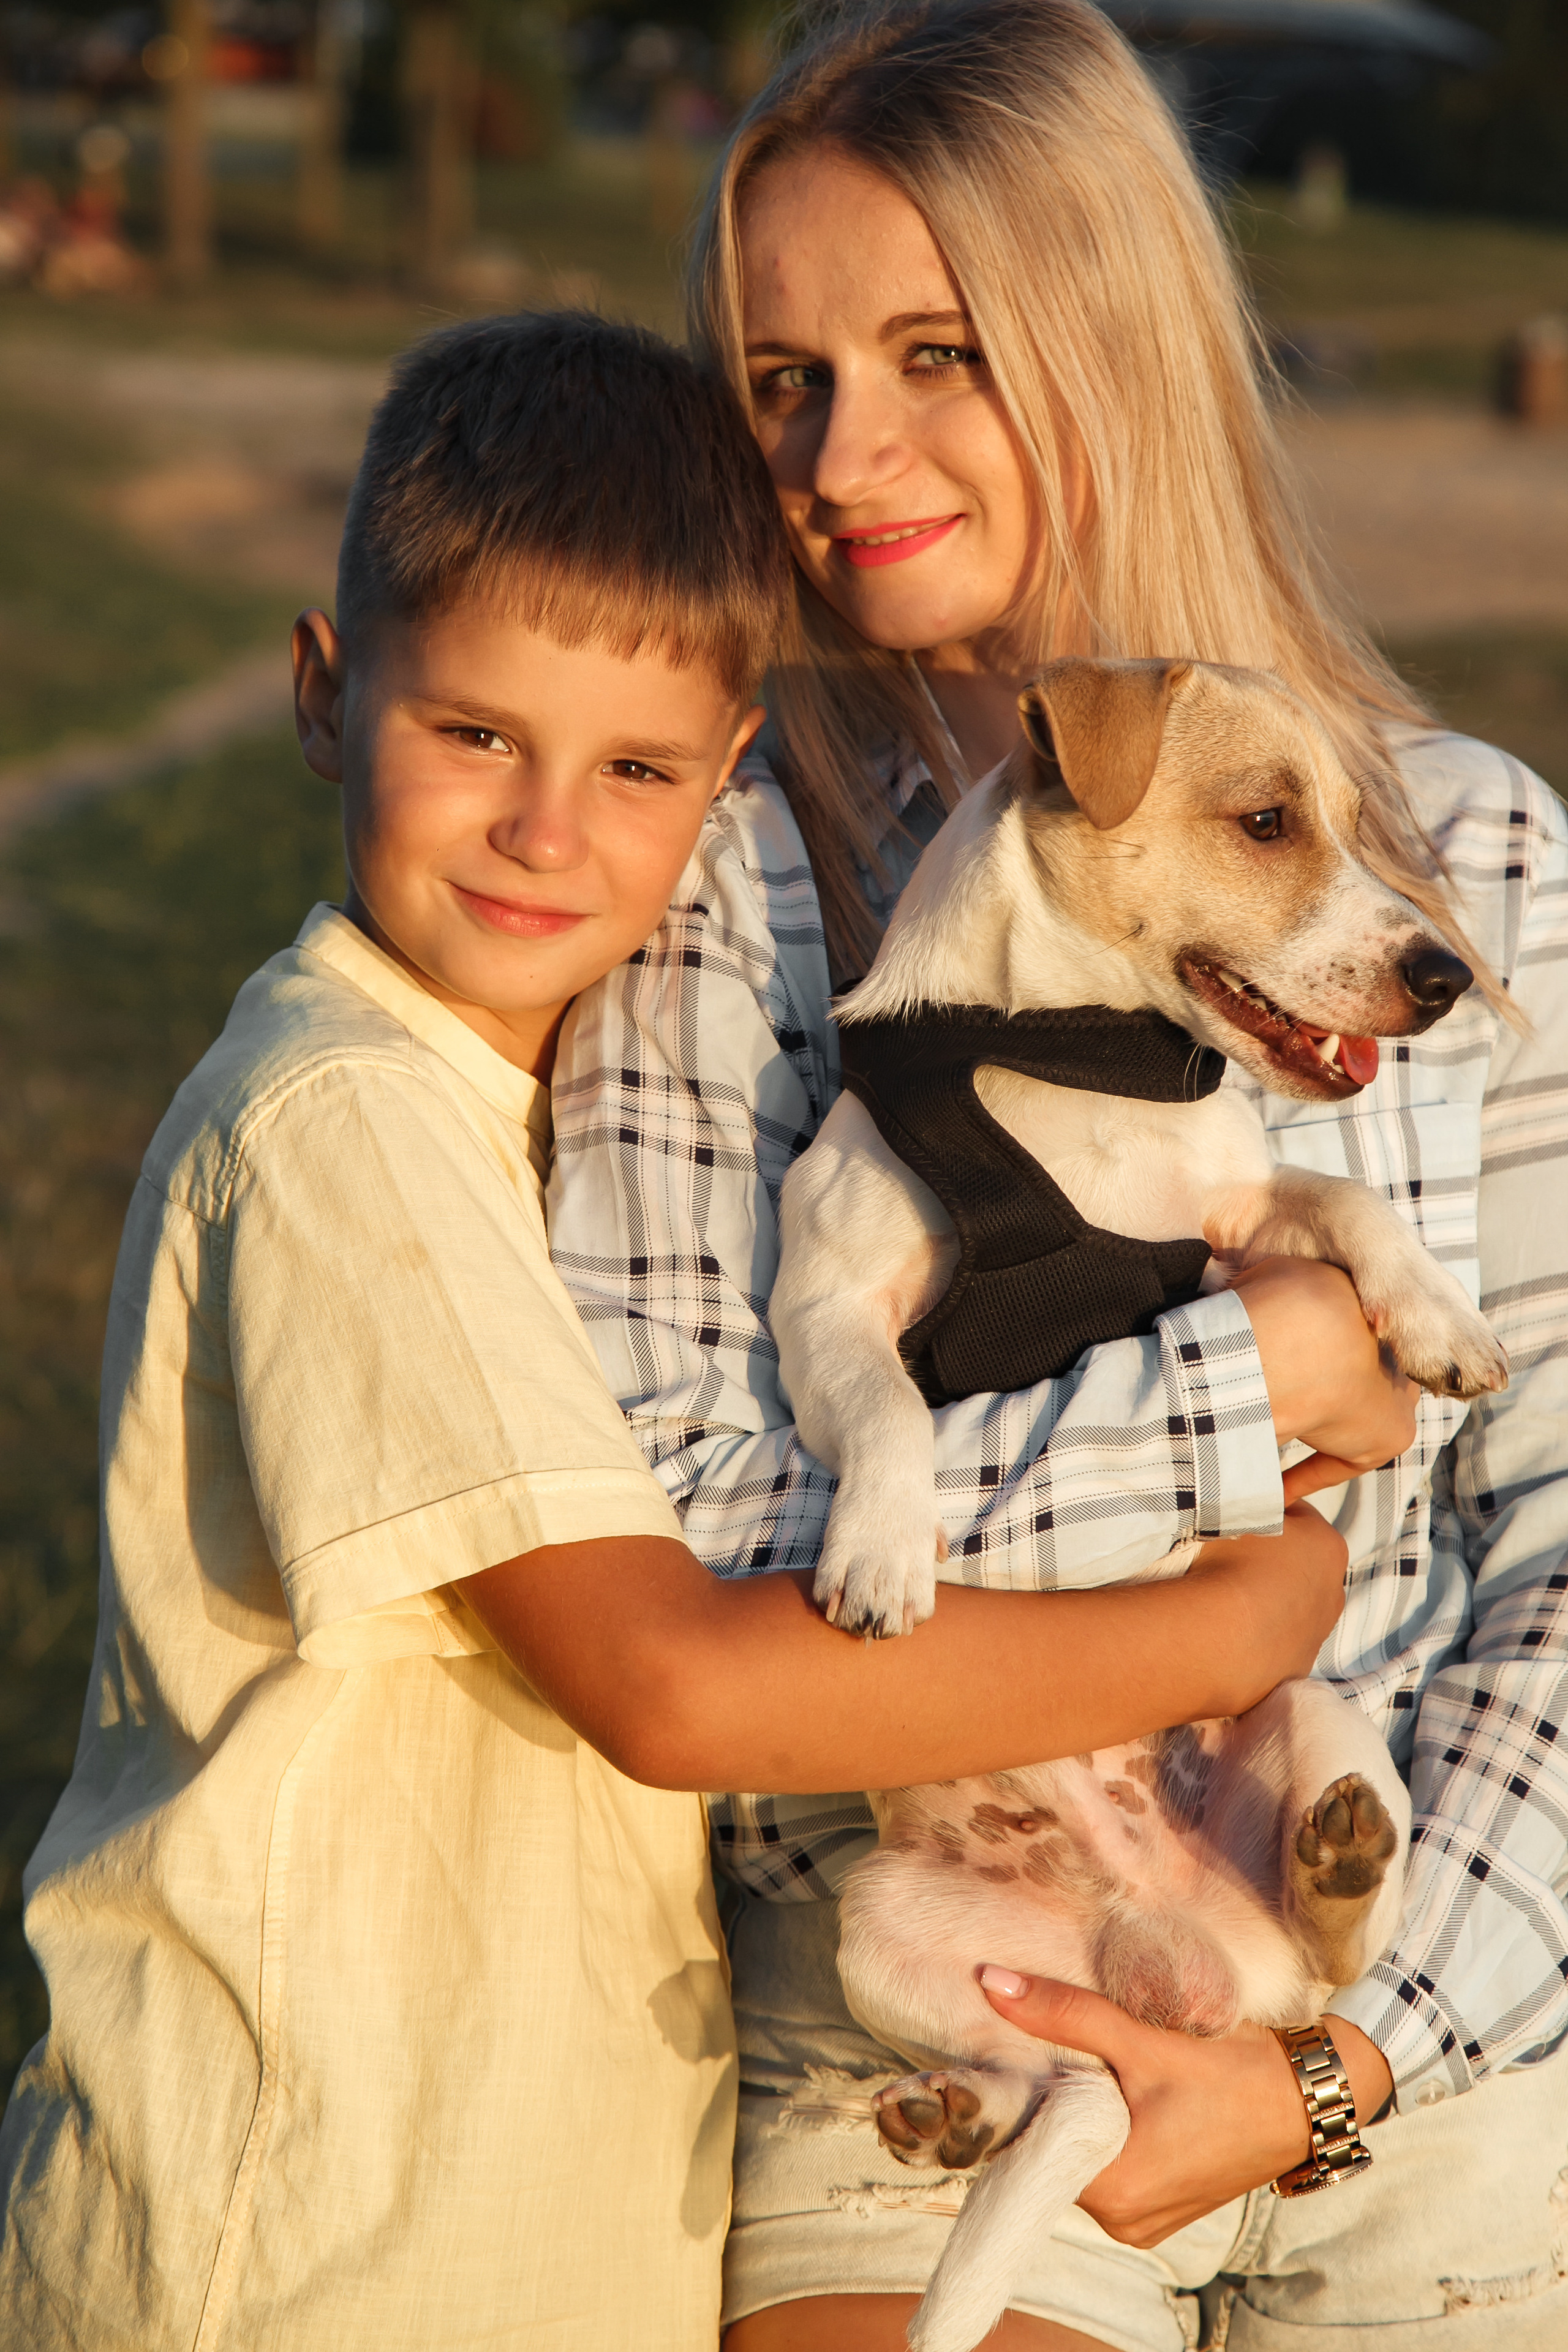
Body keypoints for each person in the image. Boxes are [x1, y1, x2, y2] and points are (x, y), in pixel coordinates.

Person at [0, 309, 1341, 2351]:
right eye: (473, 736)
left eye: (634, 769)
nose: (551, 830)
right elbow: (678, 1689)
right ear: (321, 692)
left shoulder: (500, 1102)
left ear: (720, 785)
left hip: (524, 2224)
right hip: (303, 2248)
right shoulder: (344, 1118)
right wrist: (1236, 1625)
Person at [545, 4, 1568, 2346]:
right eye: (782, 376)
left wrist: (1352, 2056)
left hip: (1414, 2007)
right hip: (926, 1981)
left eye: (938, 352)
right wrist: (1251, 1383)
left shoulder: (1478, 862)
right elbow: (697, 1539)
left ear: (1110, 334)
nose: (840, 451)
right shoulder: (715, 872)